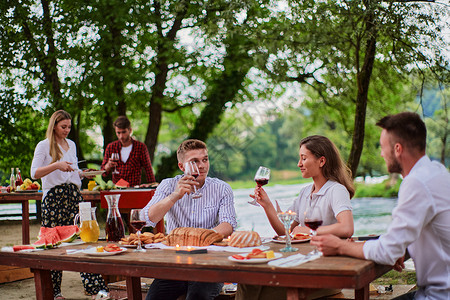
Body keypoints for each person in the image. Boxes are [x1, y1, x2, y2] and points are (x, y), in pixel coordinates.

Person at [311, 112, 450, 300]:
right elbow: (423, 233)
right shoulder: (437, 172)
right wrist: (402, 245)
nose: (381, 153)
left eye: (383, 147)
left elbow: (388, 251)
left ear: (398, 149)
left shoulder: (416, 183)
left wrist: (339, 246)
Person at [236, 135, 355, 300]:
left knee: (254, 287)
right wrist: (267, 205)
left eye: (304, 158)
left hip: (326, 270)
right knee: (248, 279)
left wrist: (311, 232)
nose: (299, 164)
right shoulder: (305, 192)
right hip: (302, 264)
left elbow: (347, 228)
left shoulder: (336, 190)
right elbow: (286, 232)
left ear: (322, 161)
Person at [141, 139, 237, 300]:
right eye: (194, 161)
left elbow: (228, 224)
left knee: (197, 296)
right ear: (181, 166)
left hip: (210, 263)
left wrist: (198, 238)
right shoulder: (168, 185)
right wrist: (174, 196)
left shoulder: (222, 188)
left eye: (205, 159)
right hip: (175, 264)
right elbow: (146, 219)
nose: (202, 166)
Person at [31, 110, 109, 300]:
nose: (67, 130)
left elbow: (71, 172)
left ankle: (94, 289)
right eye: (63, 127)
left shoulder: (72, 145)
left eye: (69, 127)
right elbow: (34, 173)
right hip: (53, 198)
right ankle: (54, 292)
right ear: (54, 126)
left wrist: (82, 174)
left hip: (74, 195)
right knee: (53, 244)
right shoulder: (44, 146)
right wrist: (57, 165)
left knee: (85, 240)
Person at [101, 115, 155, 187]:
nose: (121, 136)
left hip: (134, 189)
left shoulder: (140, 147)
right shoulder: (111, 147)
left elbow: (148, 170)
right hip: (116, 189)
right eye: (118, 133)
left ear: (130, 130)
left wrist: (154, 187)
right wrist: (108, 166)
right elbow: (103, 173)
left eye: (124, 132)